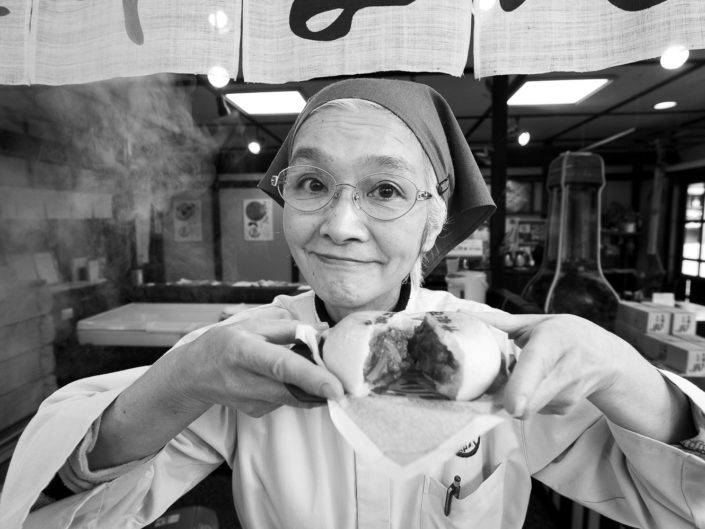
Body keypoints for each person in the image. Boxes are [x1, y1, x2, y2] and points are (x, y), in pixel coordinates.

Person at [2, 78, 704, 529]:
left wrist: (623, 372)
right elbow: (52, 510)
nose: (338, 224)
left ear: (435, 220)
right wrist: (177, 381)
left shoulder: (503, 354)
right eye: (311, 184)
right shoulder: (244, 357)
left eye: (385, 190)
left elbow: (680, 501)